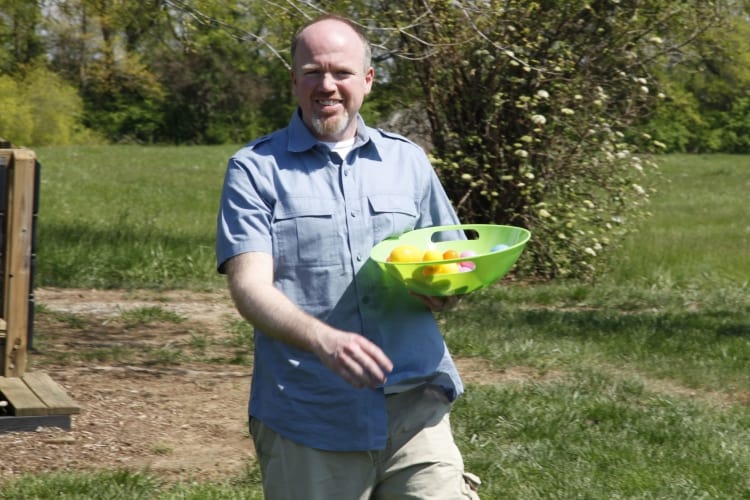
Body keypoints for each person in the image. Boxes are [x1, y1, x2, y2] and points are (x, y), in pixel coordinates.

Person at [216, 13, 480, 500]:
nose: (327, 86)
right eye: (313, 72)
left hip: (415, 409)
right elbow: (249, 286)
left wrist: (449, 291)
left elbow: (453, 260)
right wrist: (323, 340)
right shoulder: (254, 170)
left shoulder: (409, 161)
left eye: (340, 72)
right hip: (310, 415)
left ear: (368, 80)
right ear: (294, 80)